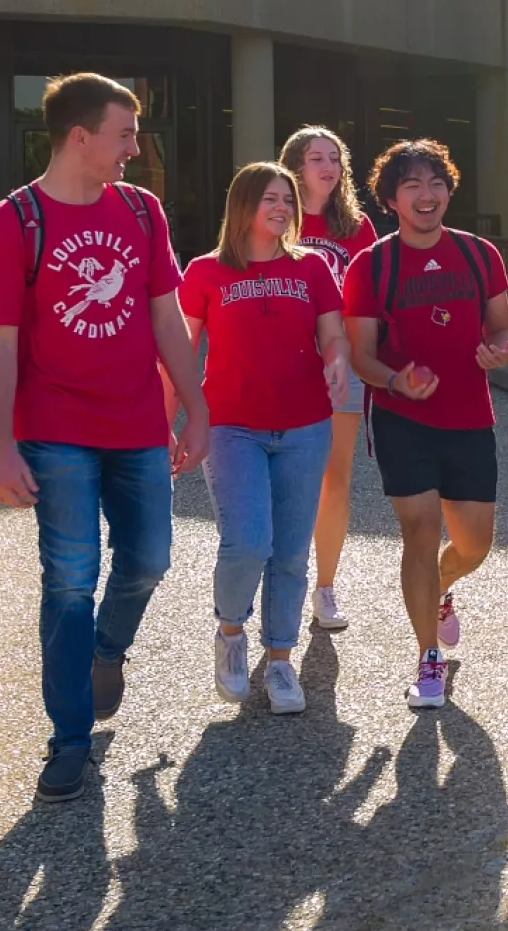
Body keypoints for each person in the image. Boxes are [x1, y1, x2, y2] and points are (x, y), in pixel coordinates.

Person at [0, 73, 206, 804]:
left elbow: (167, 316)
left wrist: (197, 407)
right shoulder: (11, 223)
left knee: (151, 558)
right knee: (70, 580)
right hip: (55, 431)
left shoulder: (141, 211)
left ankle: (109, 648)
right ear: (81, 137)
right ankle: (69, 739)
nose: (134, 148)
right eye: (125, 134)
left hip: (137, 423)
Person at [343, 139, 508, 710]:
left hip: (469, 417)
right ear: (391, 199)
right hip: (402, 419)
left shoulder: (479, 255)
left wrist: (499, 350)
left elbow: (501, 328)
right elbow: (361, 355)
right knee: (418, 530)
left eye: (436, 182)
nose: (427, 193)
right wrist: (397, 381)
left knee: (474, 546)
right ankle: (428, 658)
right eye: (412, 184)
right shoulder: (371, 265)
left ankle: (442, 587)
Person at [181, 162, 351, 717]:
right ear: (243, 205)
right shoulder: (205, 272)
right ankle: (231, 632)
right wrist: (170, 420)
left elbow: (332, 332)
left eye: (287, 199)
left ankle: (280, 658)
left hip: (305, 425)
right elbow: (180, 352)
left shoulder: (312, 267)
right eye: (269, 199)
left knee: (291, 550)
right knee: (248, 541)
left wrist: (336, 360)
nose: (281, 208)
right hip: (232, 425)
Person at [282, 126, 379, 634]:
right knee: (287, 476)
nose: (328, 166)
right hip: (285, 361)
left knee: (333, 477)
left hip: (341, 364)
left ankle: (325, 586)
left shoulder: (356, 227)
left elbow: (371, 294)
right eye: (316, 157)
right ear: (295, 166)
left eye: (335, 158)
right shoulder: (277, 215)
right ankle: (284, 583)